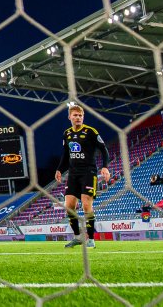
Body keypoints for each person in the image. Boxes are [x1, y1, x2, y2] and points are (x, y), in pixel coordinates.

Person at [55, 104, 110, 249]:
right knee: (69, 206)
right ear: (70, 117)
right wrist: (59, 169)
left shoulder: (91, 132)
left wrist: (105, 166)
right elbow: (66, 154)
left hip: (88, 172)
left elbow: (104, 150)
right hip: (73, 174)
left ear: (83, 117)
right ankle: (78, 237)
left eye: (80, 115)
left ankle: (91, 238)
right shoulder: (66, 134)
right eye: (75, 115)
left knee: (86, 204)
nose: (78, 117)